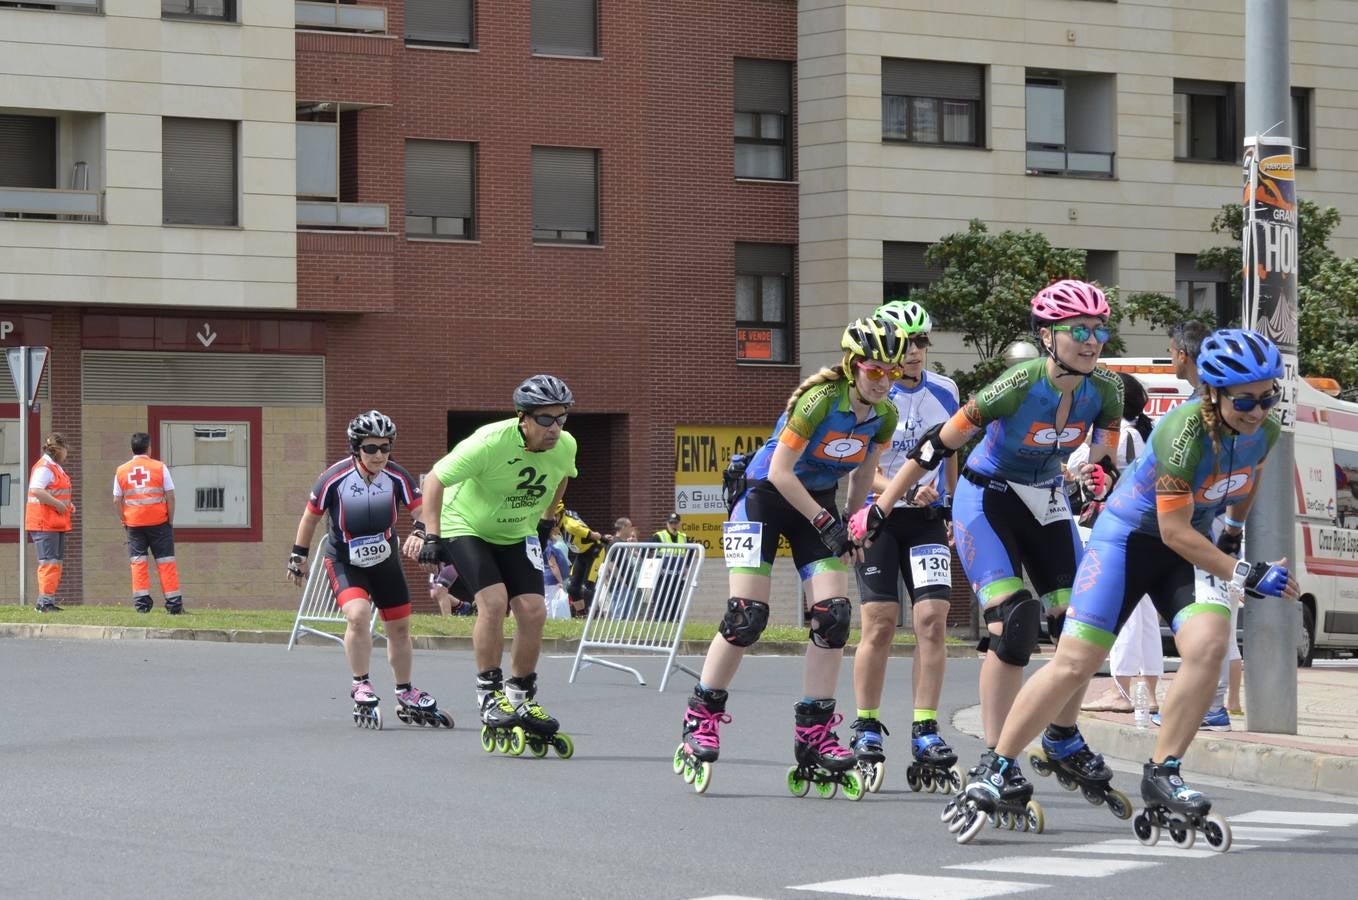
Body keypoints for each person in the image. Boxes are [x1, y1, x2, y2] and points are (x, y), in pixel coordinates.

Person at [954, 329, 1297, 845]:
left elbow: (1246, 481)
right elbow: (1172, 531)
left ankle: (1164, 771)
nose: (1257, 409)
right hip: (1131, 541)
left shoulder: (1264, 431)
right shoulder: (1184, 432)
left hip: (1189, 547)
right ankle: (997, 765)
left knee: (1207, 647)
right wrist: (1243, 570)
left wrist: (1230, 532)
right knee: (1076, 661)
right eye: (1245, 399)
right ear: (1215, 394)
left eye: (1268, 395)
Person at [852, 280, 1124, 798]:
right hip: (988, 499)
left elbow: (1106, 443)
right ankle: (999, 758)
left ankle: (1063, 736)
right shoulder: (1017, 383)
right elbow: (937, 448)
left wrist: (1101, 473)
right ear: (1048, 336)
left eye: (1099, 330)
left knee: (1078, 625)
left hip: (1045, 500)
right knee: (1015, 624)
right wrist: (882, 508)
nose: (1092, 341)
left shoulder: (1105, 388)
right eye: (1078, 331)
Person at [675, 317, 903, 796]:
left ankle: (814, 733)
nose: (883, 380)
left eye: (892, 372)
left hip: (815, 502)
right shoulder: (819, 400)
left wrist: (855, 519)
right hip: (764, 495)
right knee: (746, 617)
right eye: (874, 370)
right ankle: (701, 717)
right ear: (853, 365)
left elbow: (863, 474)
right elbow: (780, 471)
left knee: (834, 617)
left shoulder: (884, 415)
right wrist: (826, 524)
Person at [413, 375, 577, 753]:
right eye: (546, 419)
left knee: (534, 611)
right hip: (466, 525)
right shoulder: (489, 442)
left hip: (516, 530)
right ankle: (489, 692)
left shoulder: (565, 444)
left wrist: (548, 516)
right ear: (524, 418)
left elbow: (562, 478)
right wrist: (433, 534)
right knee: (494, 602)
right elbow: (436, 479)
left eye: (561, 418)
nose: (555, 428)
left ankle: (520, 694)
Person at [847, 300, 962, 792]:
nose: (914, 353)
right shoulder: (875, 391)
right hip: (881, 519)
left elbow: (952, 450)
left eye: (921, 343)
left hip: (928, 520)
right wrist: (895, 489)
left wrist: (952, 504)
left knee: (933, 620)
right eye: (906, 343)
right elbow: (860, 466)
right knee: (879, 623)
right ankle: (868, 725)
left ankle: (924, 728)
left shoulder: (947, 390)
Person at [288, 411, 450, 729]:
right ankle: (360, 682)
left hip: (385, 561)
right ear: (356, 448)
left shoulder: (397, 476)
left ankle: (405, 691)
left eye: (385, 447)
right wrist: (298, 557)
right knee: (358, 615)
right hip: (345, 560)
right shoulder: (333, 478)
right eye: (371, 448)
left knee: (400, 628)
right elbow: (310, 518)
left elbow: (423, 510)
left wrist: (421, 533)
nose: (379, 455)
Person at [1081, 373, 1162, 714]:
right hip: (1149, 527)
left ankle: (1121, 690)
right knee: (1144, 616)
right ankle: (1150, 692)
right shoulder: (1146, 431)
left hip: (1122, 527)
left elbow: (1087, 474)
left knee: (1125, 611)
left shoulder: (1119, 435)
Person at [113, 432, 184, 614]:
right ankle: (174, 604)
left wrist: (125, 520)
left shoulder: (121, 470)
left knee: (138, 563)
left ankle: (142, 604)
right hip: (159, 522)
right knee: (165, 562)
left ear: (132, 448)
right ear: (149, 448)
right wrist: (170, 519)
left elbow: (116, 500)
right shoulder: (159, 467)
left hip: (134, 525)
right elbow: (170, 495)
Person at [26, 433, 75, 613]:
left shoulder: (54, 467)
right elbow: (37, 490)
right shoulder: (45, 467)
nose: (66, 454)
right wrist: (58, 504)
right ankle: (45, 604)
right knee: (49, 563)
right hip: (44, 523)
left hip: (54, 522)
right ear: (59, 450)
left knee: (54, 563)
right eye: (65, 451)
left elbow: (54, 491)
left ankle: (46, 601)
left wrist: (69, 505)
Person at [651, 513, 691, 622]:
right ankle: (660, 621)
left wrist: (687, 566)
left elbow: (690, 552)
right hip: (663, 574)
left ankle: (675, 621)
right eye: (671, 523)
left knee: (676, 599)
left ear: (679, 524)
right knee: (660, 598)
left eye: (676, 523)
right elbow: (647, 551)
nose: (673, 525)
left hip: (677, 575)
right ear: (667, 523)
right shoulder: (659, 536)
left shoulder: (683, 537)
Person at [541, 523, 571, 620]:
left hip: (551, 579)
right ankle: (549, 619)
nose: (557, 533)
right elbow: (553, 565)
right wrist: (560, 581)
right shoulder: (548, 545)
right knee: (550, 602)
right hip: (551, 579)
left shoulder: (550, 543)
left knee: (551, 601)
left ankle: (552, 619)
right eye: (554, 531)